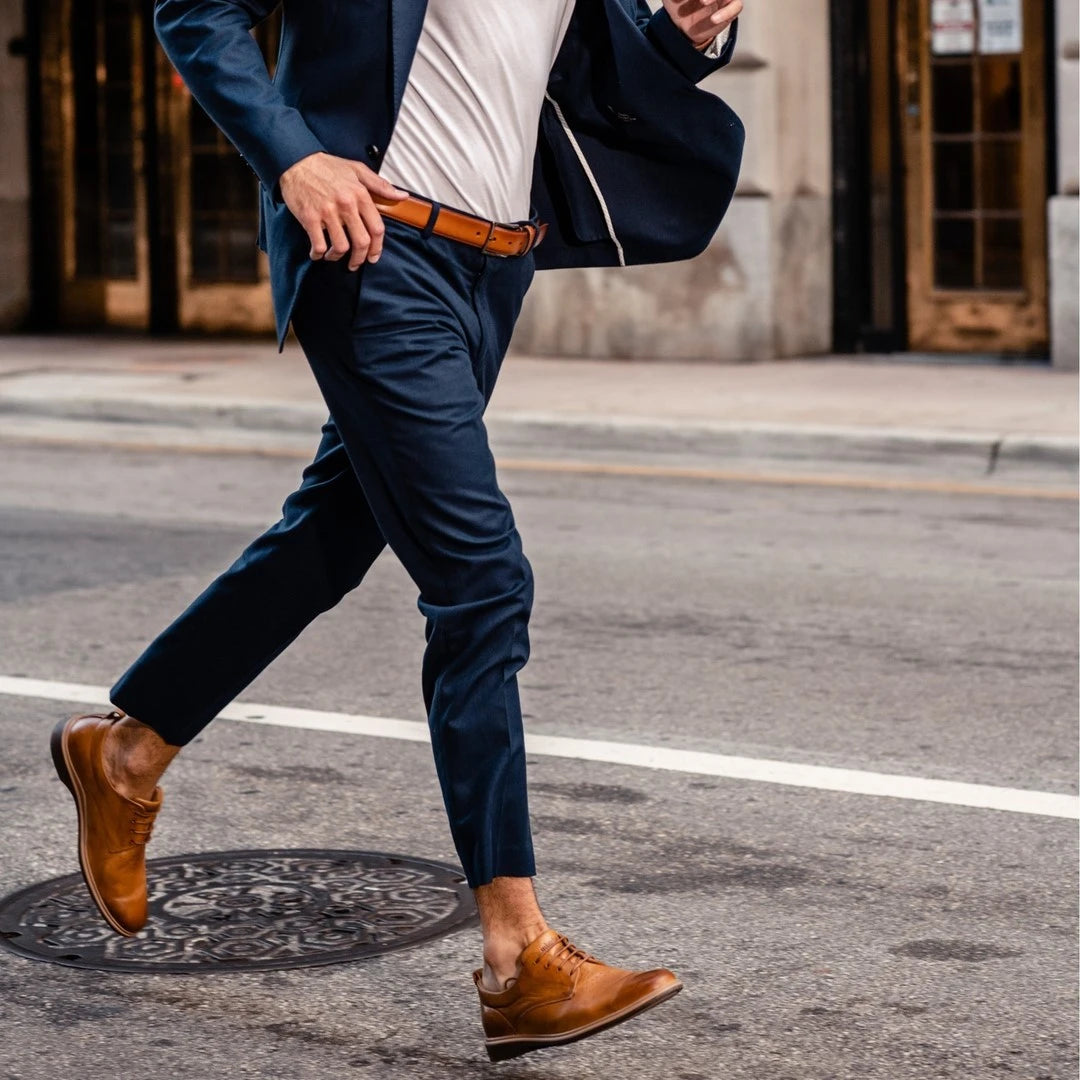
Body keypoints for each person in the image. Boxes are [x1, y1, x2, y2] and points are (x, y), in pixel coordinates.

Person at [50, 0, 744, 1061]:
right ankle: (520, 959)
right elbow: (196, 10)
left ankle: (128, 751)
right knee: (482, 585)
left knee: (336, 530)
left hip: (493, 265)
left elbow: (595, 64)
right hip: (377, 252)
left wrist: (685, 32)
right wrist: (292, 158)